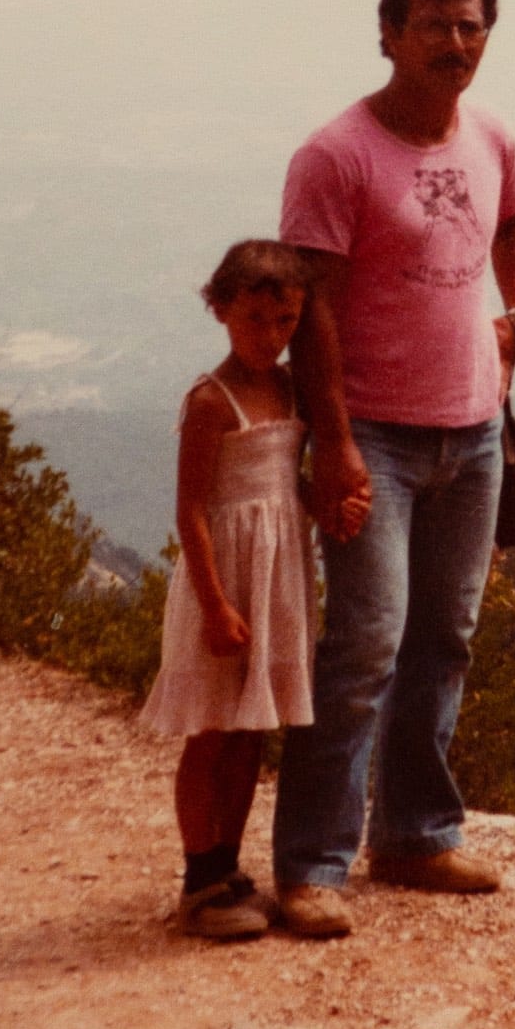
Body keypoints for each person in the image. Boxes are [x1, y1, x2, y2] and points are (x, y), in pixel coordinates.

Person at [268, 0, 515, 938]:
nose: (455, 43)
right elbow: (312, 309)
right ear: (388, 33)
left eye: (470, 26)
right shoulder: (335, 155)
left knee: (443, 637)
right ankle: (309, 864)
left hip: (470, 429)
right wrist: (331, 445)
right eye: (433, 24)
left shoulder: (491, 136)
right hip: (373, 435)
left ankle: (416, 835)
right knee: (364, 646)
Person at [140, 240, 320, 940]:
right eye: (255, 321)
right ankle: (197, 877)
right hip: (225, 582)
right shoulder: (210, 401)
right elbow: (190, 509)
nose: (271, 338)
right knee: (212, 731)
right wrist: (215, 604)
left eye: (285, 322)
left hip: (275, 579)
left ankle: (229, 865)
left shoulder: (286, 388)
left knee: (253, 730)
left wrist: (331, 497)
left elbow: (285, 483)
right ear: (219, 311)